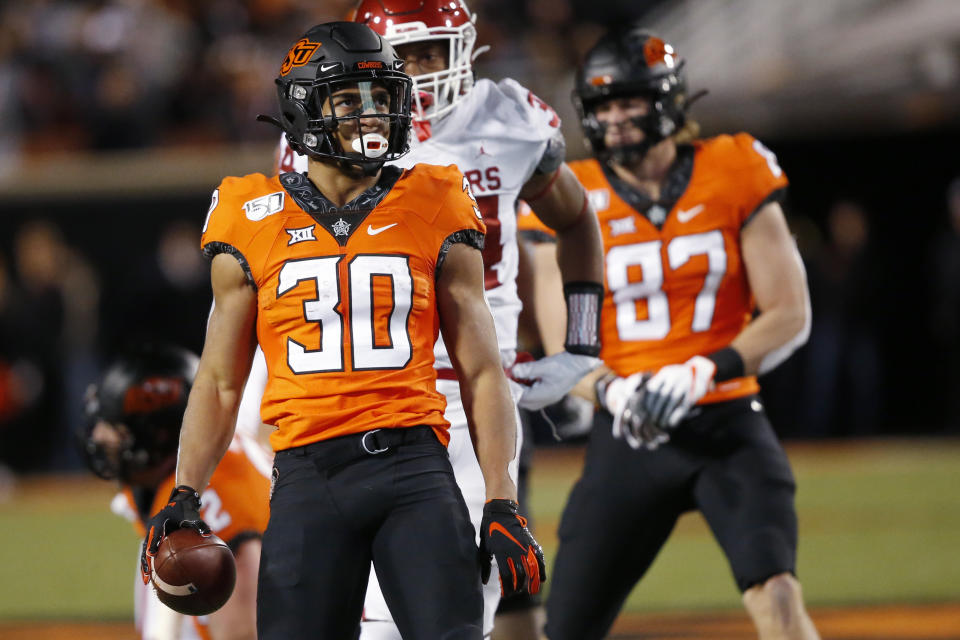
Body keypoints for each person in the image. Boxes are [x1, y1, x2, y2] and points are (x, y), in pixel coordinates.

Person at [138, 22, 544, 640]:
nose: (371, 114)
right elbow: (220, 381)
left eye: (381, 97)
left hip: (416, 468)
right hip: (308, 474)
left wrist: (500, 497)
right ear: (305, 107)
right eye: (349, 99)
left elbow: (482, 370)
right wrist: (186, 492)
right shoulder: (249, 214)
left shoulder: (437, 198)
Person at [272, 3, 606, 638]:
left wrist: (581, 343)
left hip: (474, 395)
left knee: (450, 611)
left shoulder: (510, 120)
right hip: (362, 388)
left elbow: (576, 218)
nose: (425, 68)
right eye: (411, 53)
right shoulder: (326, 130)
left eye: (436, 50)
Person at [525, 26, 821, 640]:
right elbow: (562, 343)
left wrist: (705, 369)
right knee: (566, 628)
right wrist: (616, 394)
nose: (615, 118)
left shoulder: (735, 166)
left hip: (726, 420)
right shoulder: (571, 196)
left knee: (780, 597)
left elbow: (790, 313)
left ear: (667, 99)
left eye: (629, 100)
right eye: (602, 106)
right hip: (627, 432)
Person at [78, 344, 270, 640]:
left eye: (114, 427)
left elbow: (242, 630)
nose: (99, 436)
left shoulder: (211, 492)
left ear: (157, 434)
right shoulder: (198, 473)